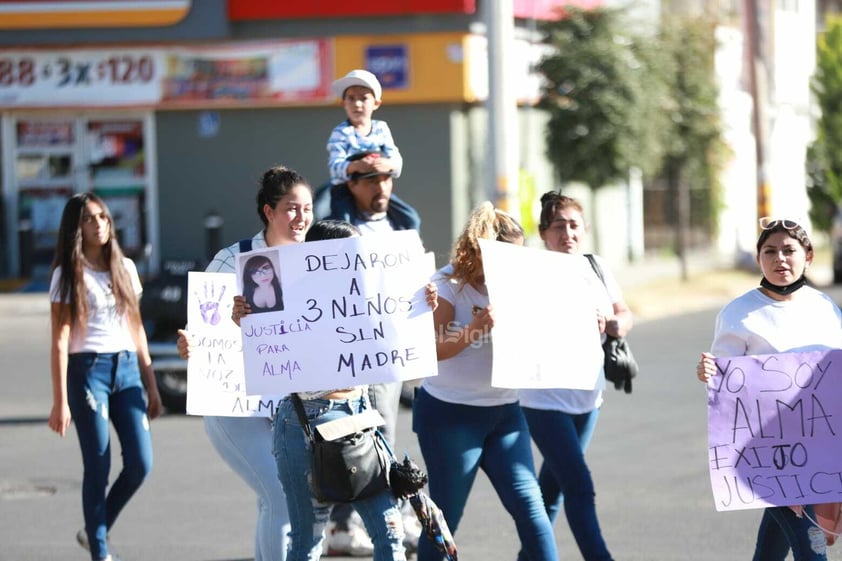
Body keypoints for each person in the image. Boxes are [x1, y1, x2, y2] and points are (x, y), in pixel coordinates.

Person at [177, 165, 314, 561]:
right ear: (268, 212)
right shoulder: (233, 258)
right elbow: (201, 332)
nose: (302, 217)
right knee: (283, 498)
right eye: (291, 208)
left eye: (307, 208)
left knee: (271, 501)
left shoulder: (317, 260)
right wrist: (198, 341)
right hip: (236, 404)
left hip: (290, 407)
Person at [412, 202, 559, 561]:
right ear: (482, 252)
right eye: (508, 257)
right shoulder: (447, 285)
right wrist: (475, 329)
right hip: (451, 415)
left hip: (506, 413)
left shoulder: (521, 285)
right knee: (445, 517)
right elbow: (430, 350)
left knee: (531, 509)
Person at [696, 216, 841, 561]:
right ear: (758, 258)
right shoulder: (739, 313)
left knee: (773, 550)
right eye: (769, 251)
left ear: (808, 256)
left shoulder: (825, 308)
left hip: (819, 449)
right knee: (811, 550)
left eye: (789, 250)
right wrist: (709, 373)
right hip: (768, 454)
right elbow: (727, 390)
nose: (780, 259)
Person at [270, 219, 408, 561]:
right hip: (304, 423)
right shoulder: (290, 297)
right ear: (323, 256)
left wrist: (421, 306)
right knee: (307, 542)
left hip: (358, 419)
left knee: (391, 532)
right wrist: (242, 317)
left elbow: (404, 329)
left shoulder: (370, 295)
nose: (360, 259)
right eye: (352, 251)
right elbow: (263, 342)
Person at [518, 192, 632, 561]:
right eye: (558, 226)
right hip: (542, 398)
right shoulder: (528, 270)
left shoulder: (595, 265)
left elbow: (623, 314)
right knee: (579, 486)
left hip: (588, 396)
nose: (567, 233)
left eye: (574, 225)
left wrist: (614, 324)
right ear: (543, 233)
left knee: (552, 489)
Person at [48, 192, 162, 561]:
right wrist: (60, 401)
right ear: (75, 228)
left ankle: (94, 529)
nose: (99, 225)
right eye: (89, 219)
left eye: (103, 217)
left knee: (141, 463)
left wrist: (152, 383)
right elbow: (60, 339)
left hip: (127, 369)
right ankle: (99, 548)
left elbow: (137, 327)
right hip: (88, 372)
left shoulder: (125, 267)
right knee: (98, 463)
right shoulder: (67, 274)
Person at [321, 153, 422, 556]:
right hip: (349, 346)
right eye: (368, 179)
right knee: (350, 438)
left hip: (388, 347)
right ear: (351, 185)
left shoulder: (402, 226)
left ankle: (379, 520)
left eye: (386, 178)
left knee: (383, 437)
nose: (380, 186)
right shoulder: (342, 227)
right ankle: (347, 524)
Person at [327, 69, 402, 186]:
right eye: (351, 98)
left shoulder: (381, 128)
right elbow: (334, 166)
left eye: (364, 98)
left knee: (398, 205)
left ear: (376, 104)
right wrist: (354, 166)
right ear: (343, 104)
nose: (357, 104)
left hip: (377, 185)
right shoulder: (341, 132)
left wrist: (389, 164)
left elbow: (395, 158)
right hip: (347, 188)